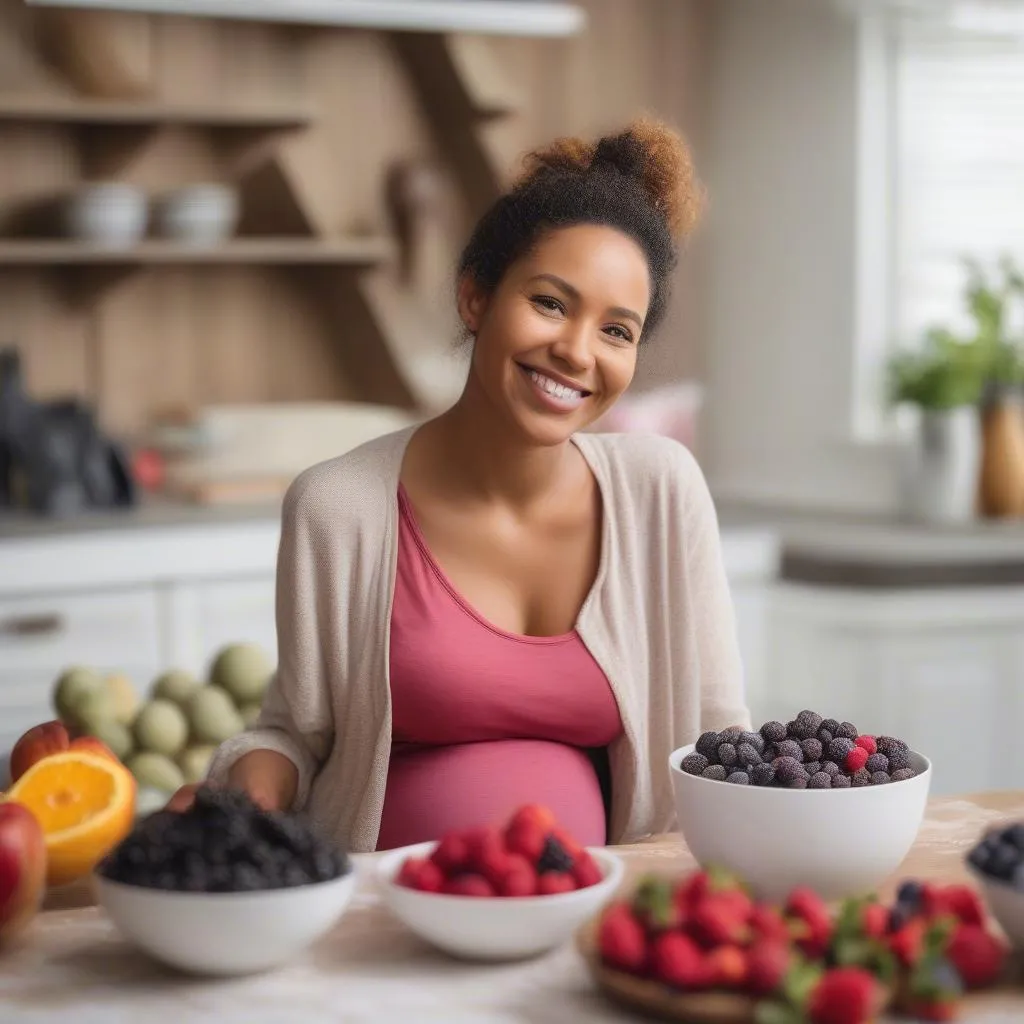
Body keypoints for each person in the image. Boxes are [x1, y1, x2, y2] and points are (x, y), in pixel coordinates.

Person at [168, 117, 752, 852]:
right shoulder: (339, 507)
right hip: (382, 921)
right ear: (476, 298)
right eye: (549, 302)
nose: (576, 352)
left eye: (616, 331)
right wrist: (246, 794)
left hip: (590, 917)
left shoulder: (660, 491)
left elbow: (720, 741)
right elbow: (293, 734)